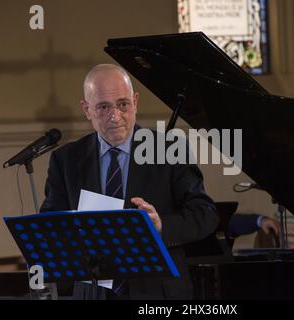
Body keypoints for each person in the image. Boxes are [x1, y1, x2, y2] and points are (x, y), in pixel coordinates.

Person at [40, 64, 219, 299]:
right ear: (87, 109)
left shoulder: (170, 149)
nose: (115, 116)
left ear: (135, 101)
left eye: (123, 104)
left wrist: (160, 226)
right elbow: (51, 225)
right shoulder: (66, 160)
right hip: (93, 292)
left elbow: (205, 214)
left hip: (157, 293)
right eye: (103, 107)